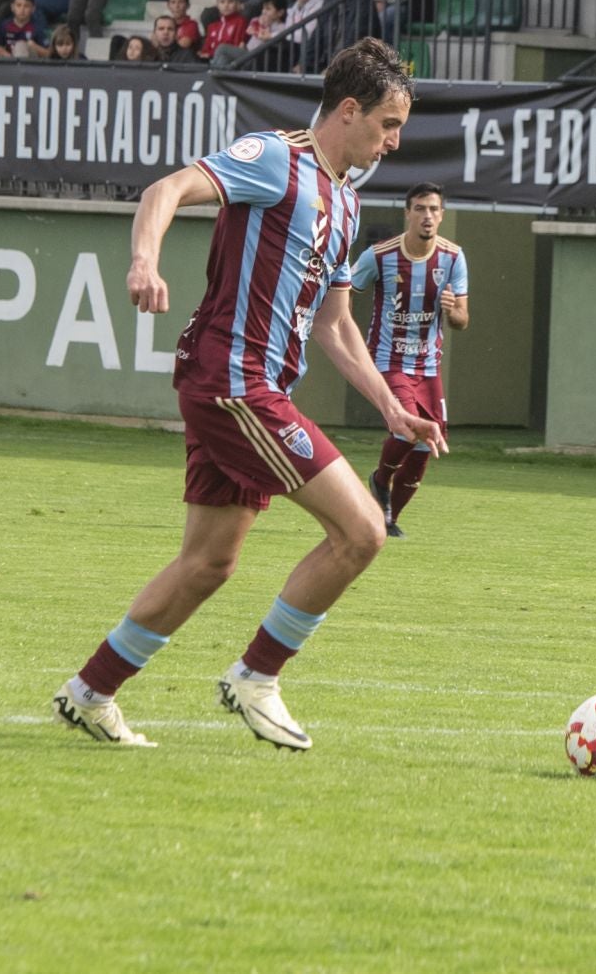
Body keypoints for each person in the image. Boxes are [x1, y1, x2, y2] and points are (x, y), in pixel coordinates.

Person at [51, 39, 438, 751]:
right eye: (387, 122)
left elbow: (335, 323)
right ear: (347, 111)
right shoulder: (275, 159)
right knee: (362, 531)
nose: (396, 139)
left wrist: (389, 406)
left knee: (209, 564)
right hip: (236, 383)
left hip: (245, 385)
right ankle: (257, 676)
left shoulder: (347, 203)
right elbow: (163, 190)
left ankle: (91, 690)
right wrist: (144, 261)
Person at [348, 183, 469, 540]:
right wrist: (349, 338)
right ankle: (381, 478)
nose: (427, 216)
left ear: (442, 215)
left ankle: (387, 518)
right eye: (420, 208)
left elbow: (463, 320)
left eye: (433, 209)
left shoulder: (453, 258)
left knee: (428, 445)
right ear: (407, 213)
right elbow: (343, 295)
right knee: (410, 427)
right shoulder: (379, 256)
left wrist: (452, 311)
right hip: (388, 361)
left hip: (429, 368)